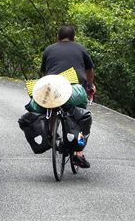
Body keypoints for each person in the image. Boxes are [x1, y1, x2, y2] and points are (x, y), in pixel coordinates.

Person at [40, 24, 96, 168]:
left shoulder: (48, 49)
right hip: (74, 90)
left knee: (53, 108)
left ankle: (52, 135)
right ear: (73, 38)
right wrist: (89, 86)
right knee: (80, 117)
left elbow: (44, 72)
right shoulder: (80, 48)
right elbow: (89, 70)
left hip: (53, 88)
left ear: (57, 37)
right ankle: (79, 153)